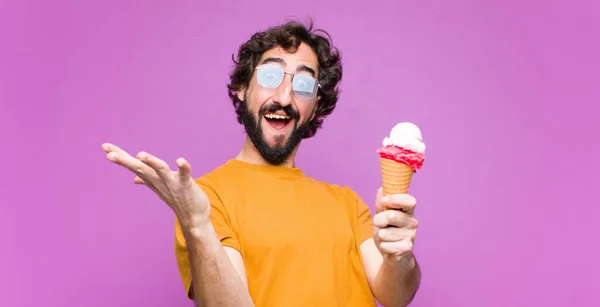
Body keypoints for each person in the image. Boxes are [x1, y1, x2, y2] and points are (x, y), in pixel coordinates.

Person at [102, 19, 421, 307]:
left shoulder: (348, 204)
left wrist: (400, 257)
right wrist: (197, 225)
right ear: (242, 88)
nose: (284, 96)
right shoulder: (205, 198)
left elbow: (395, 295)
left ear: (315, 105)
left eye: (303, 84)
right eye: (270, 75)